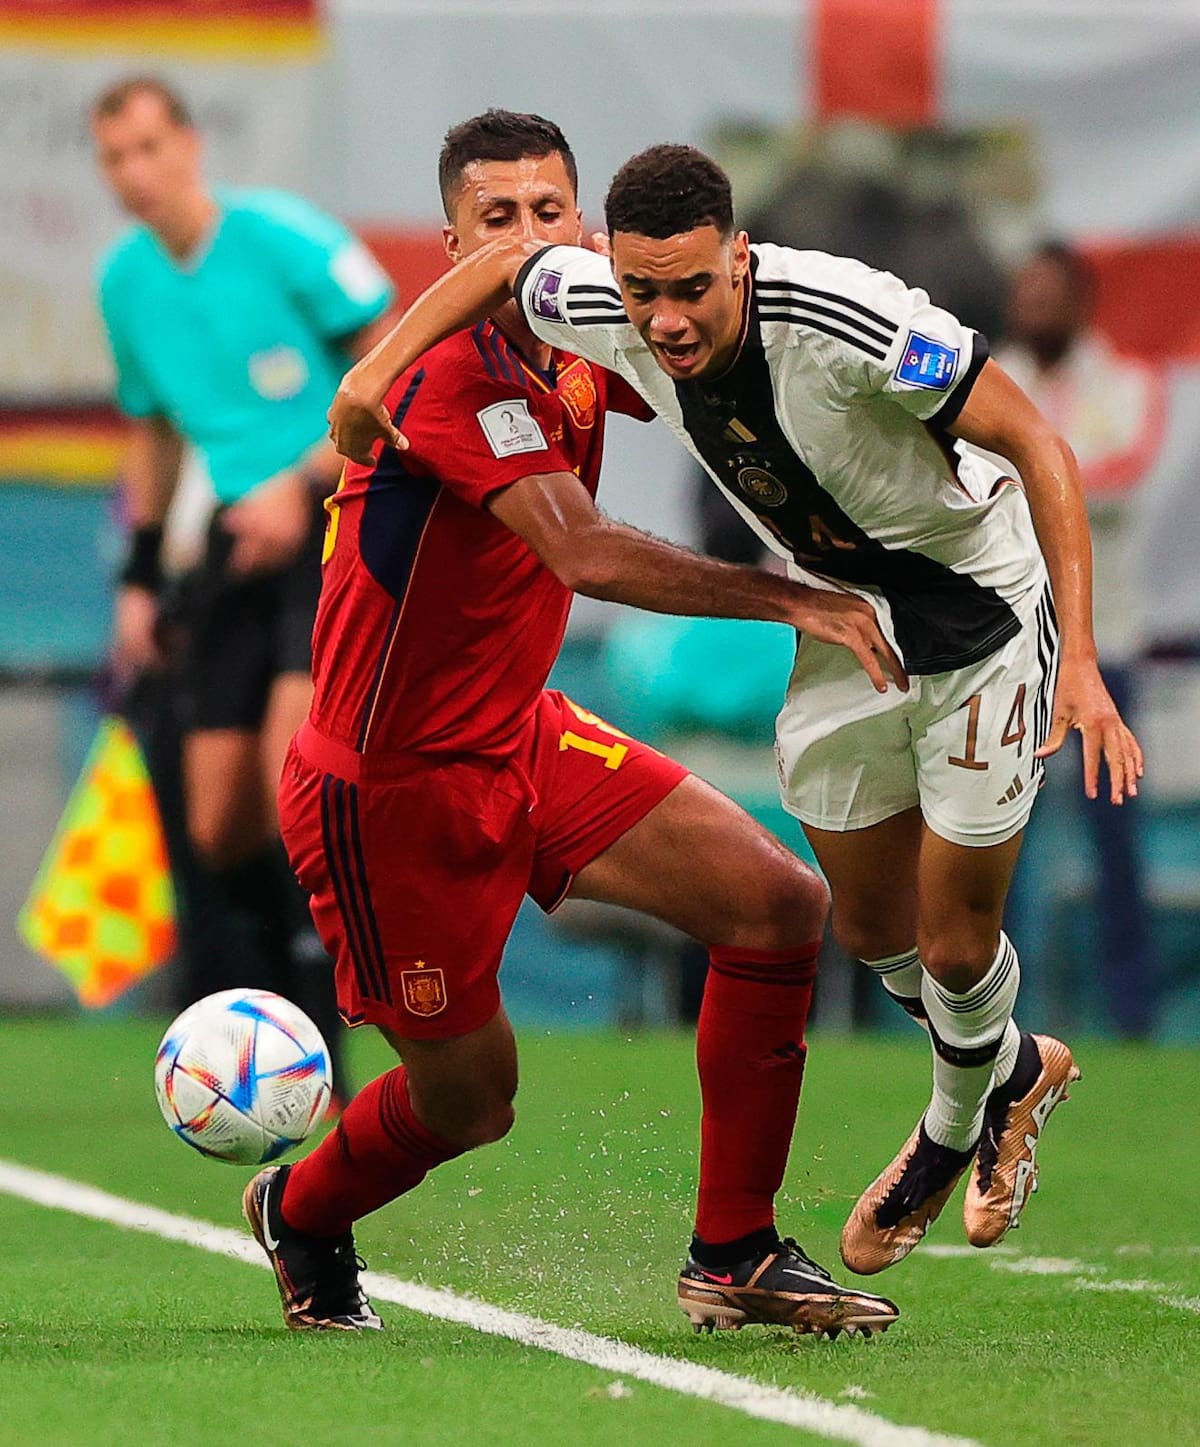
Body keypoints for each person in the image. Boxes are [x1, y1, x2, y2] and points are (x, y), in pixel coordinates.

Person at [330, 143, 1143, 1279]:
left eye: (692, 289)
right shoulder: (596, 301)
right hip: (841, 610)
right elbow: (508, 271)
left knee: (952, 940)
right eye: (641, 290)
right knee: (867, 929)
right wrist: (373, 373)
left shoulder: (850, 319)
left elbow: (1037, 441)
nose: (665, 320)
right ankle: (1015, 1068)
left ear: (742, 259)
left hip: (978, 608)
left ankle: (947, 1130)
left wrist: (1084, 660)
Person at [241, 110, 906, 1338]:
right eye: (496, 219)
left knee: (776, 905)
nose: (527, 238)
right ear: (453, 245)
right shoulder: (445, 376)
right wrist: (796, 598)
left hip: (523, 736)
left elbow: (716, 358)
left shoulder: (584, 330)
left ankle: (734, 1251)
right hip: (390, 794)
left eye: (549, 212)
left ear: (585, 226)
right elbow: (585, 552)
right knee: (473, 1100)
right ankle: (303, 1207)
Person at [92, 76, 397, 1095]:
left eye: (148, 146)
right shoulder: (125, 282)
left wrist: (304, 478)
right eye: (115, 156)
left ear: (189, 143)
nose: (135, 171)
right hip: (232, 546)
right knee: (217, 823)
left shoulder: (281, 236)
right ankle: (274, 1029)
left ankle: (329, 1040)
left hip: (330, 529)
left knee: (291, 788)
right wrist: (140, 577)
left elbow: (395, 360)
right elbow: (154, 431)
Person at [996, 242, 1162, 1038]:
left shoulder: (1127, 385)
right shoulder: (994, 377)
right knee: (996, 840)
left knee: (1115, 843)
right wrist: (1050, 473)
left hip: (1104, 655)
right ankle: (993, 1015)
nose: (1033, 306)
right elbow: (968, 482)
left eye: (1048, 293)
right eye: (1024, 292)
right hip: (1015, 650)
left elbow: (1120, 474)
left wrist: (1028, 471)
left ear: (1080, 303)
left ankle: (1132, 1014)